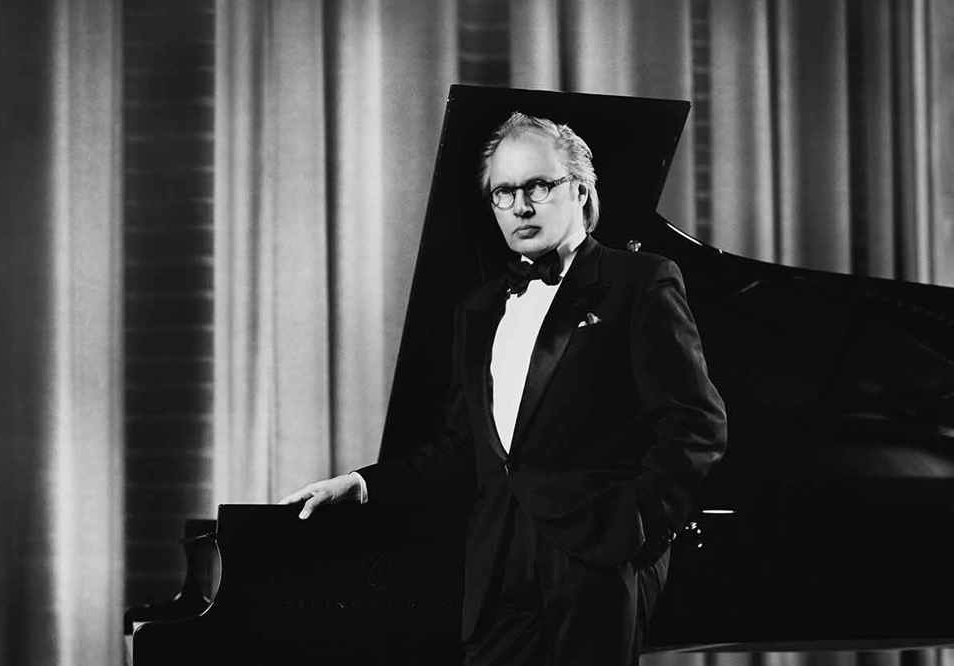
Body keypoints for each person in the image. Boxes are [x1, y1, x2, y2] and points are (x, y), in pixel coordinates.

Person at [279, 111, 727, 666]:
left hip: (596, 563)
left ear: (581, 190)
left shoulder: (641, 282)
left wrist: (635, 527)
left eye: (538, 185)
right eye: (503, 192)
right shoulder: (480, 309)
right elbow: (462, 448)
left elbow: (696, 425)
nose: (520, 206)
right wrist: (361, 484)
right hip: (496, 566)